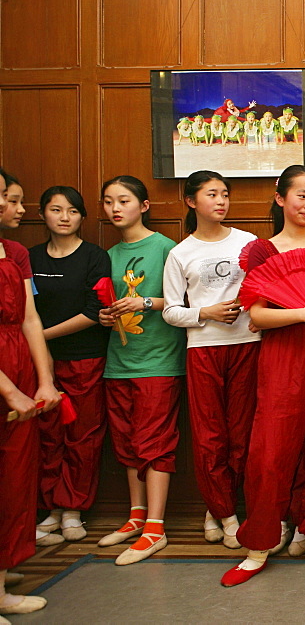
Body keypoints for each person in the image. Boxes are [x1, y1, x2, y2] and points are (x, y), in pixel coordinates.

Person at [222, 165, 305, 587]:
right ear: (280, 198)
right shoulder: (262, 250)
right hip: (281, 353)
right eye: (300, 196)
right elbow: (257, 314)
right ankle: (259, 544)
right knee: (270, 447)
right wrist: (303, 314)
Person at [162, 171, 260, 549]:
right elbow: (171, 311)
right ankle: (226, 514)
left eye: (225, 194)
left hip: (247, 344)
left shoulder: (248, 242)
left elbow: (264, 289)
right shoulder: (180, 252)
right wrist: (206, 313)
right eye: (212, 194)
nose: (221, 201)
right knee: (209, 437)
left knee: (242, 434)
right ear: (191, 201)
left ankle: (221, 506)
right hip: (202, 349)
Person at [97, 175, 186, 565]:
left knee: (155, 442)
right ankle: (135, 518)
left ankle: (155, 527)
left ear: (144, 206)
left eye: (124, 200)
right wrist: (103, 315)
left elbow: (184, 300)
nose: (115, 208)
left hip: (159, 360)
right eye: (108, 202)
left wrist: (145, 302)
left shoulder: (167, 249)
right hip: (118, 361)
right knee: (127, 443)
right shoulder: (107, 255)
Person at [30, 187, 112, 543]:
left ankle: (73, 509)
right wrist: (39, 345)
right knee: (47, 437)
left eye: (72, 211)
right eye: (55, 209)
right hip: (39, 363)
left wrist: (41, 336)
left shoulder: (95, 257)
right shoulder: (29, 258)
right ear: (42, 214)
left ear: (82, 217)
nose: (64, 217)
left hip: (85, 356)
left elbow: (96, 311)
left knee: (83, 436)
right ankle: (51, 509)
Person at [0, 170, 62, 619]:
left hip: (19, 361)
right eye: (8, 198)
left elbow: (30, 320)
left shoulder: (16, 251)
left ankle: (3, 571)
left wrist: (43, 381)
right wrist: (9, 391)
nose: (19, 208)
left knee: (15, 478)